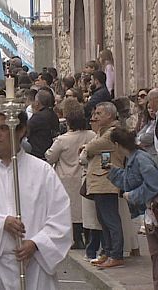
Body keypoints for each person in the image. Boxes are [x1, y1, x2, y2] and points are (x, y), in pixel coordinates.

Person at [0, 107, 72, 289]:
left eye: (3, 128)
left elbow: (60, 218)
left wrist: (36, 243)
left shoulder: (42, 172)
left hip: (32, 267)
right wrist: (0, 223)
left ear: (21, 130)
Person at [107, 128, 158, 286]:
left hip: (154, 209)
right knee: (155, 254)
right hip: (150, 211)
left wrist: (132, 195)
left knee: (156, 253)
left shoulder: (141, 159)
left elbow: (153, 185)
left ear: (117, 144)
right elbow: (130, 181)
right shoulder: (134, 158)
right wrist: (113, 172)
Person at [44, 100, 96, 250]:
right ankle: (89, 237)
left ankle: (75, 238)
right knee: (84, 208)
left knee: (72, 209)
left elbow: (50, 156)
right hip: (84, 175)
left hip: (66, 177)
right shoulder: (91, 135)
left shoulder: (62, 139)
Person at [81, 102, 125, 268]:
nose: (95, 117)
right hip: (99, 182)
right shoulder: (102, 133)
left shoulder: (112, 133)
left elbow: (92, 147)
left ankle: (116, 254)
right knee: (103, 220)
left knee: (110, 219)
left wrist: (86, 148)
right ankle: (107, 252)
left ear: (109, 115)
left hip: (107, 181)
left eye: (99, 113)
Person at [27, 89, 60, 159]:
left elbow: (26, 129)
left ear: (37, 103)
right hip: (50, 150)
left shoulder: (38, 117)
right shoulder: (53, 114)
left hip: (39, 154)